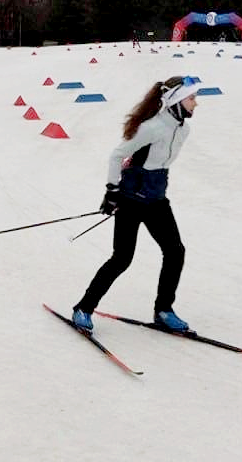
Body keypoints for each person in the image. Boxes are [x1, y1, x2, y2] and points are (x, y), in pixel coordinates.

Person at [72, 75, 204, 332]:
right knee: (122, 259)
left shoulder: (183, 130)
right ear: (175, 100)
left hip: (156, 201)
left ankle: (164, 310)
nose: (195, 103)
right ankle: (83, 308)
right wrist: (112, 191)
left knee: (175, 252)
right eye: (191, 98)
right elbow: (118, 155)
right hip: (131, 202)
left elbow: (157, 164)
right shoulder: (152, 127)